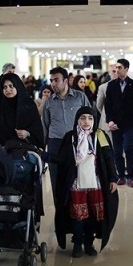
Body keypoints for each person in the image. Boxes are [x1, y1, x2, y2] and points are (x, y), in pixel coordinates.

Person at [44, 106, 118, 258]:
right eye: (83, 118)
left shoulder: (100, 135)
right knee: (78, 215)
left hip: (96, 183)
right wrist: (44, 155)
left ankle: (89, 244)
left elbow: (109, 158)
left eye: (90, 118)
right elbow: (62, 159)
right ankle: (77, 244)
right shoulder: (70, 137)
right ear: (77, 120)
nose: (86, 122)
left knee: (91, 215)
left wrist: (113, 178)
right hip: (76, 183)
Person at [42, 67, 91, 202]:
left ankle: (76, 210)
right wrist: (42, 147)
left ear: (65, 81)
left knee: (76, 178)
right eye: (51, 80)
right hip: (55, 144)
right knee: (56, 178)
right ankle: (60, 212)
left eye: (56, 80)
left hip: (76, 142)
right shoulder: (49, 102)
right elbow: (45, 125)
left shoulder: (80, 97)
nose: (53, 84)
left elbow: (90, 118)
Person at [105, 59, 133, 187]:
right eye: (116, 67)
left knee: (128, 147)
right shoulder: (111, 85)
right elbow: (108, 105)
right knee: (117, 150)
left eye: (119, 67)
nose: (117, 70)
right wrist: (109, 120)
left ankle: (130, 176)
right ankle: (120, 175)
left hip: (130, 123)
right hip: (115, 123)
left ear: (126, 69)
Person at [0, 73, 44, 149]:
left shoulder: (28, 106)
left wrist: (27, 133)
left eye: (11, 86)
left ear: (17, 86)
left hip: (24, 150)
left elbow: (37, 130)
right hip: (1, 151)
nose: (8, 90)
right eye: (5, 87)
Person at [96, 64, 118, 140]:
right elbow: (99, 105)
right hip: (107, 123)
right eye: (114, 71)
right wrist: (106, 114)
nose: (116, 73)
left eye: (118, 71)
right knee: (107, 147)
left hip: (121, 124)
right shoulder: (103, 87)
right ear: (109, 73)